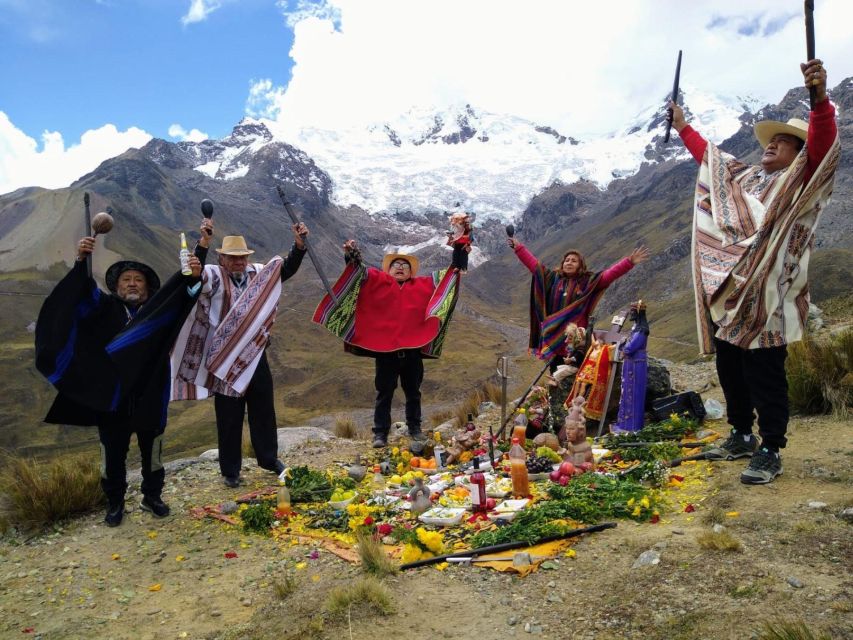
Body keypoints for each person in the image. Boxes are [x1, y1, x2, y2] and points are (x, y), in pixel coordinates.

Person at [670, 59, 839, 484]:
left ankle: (771, 448)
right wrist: (682, 126)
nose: (772, 146)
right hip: (732, 298)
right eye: (771, 140)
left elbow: (823, 146)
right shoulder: (746, 180)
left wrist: (819, 101)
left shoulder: (801, 183)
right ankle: (741, 433)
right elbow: (711, 164)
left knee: (765, 371)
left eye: (783, 143)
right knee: (731, 368)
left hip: (770, 300)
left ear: (800, 156)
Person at [35, 223, 208, 527]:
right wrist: (80, 261)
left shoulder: (158, 312)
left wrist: (195, 272)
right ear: (116, 287)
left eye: (138, 280)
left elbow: (184, 295)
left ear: (147, 288)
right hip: (111, 396)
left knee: (152, 451)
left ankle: (152, 496)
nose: (132, 284)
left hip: (151, 394)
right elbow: (79, 296)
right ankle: (114, 502)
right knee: (112, 454)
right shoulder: (103, 308)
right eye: (126, 280)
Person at [170, 221, 308, 488]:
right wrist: (203, 245)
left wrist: (299, 247)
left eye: (242, 257)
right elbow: (194, 276)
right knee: (229, 416)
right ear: (222, 259)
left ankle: (269, 459)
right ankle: (231, 470)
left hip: (256, 357)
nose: (238, 262)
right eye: (232, 258)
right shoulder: (212, 275)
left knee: (263, 409)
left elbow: (285, 269)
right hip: (225, 359)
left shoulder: (258, 273)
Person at [313, 240, 461, 448]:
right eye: (395, 265)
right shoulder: (377, 280)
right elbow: (359, 273)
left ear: (411, 272)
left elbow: (448, 278)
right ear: (388, 270)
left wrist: (460, 249)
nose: (400, 267)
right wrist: (351, 256)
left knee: (413, 392)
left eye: (405, 266)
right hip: (385, 353)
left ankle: (415, 429)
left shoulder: (424, 285)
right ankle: (380, 434)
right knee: (384, 393)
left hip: (412, 352)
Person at [508, 236, 650, 429]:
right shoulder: (552, 279)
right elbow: (534, 266)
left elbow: (608, 275)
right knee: (556, 377)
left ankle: (580, 420)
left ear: (580, 265)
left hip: (578, 341)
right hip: (555, 339)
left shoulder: (587, 282)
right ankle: (557, 420)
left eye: (574, 260)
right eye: (567, 260)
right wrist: (519, 248)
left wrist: (629, 262)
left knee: (578, 377)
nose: (569, 262)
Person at [611, 301, 649, 433]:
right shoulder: (636, 327)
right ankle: (624, 424)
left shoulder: (642, 329)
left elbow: (633, 345)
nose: (631, 314)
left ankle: (632, 426)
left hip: (637, 364)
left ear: (638, 312)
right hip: (630, 364)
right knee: (626, 392)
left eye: (633, 311)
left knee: (634, 393)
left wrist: (624, 347)